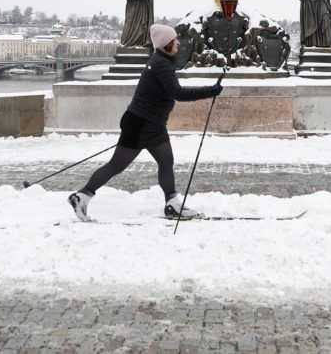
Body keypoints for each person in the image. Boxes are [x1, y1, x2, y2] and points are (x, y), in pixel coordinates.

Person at [68, 24, 223, 221]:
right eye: (174, 41)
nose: (178, 43)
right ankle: (81, 196)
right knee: (117, 165)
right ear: (166, 44)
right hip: (141, 124)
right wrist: (210, 91)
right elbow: (178, 93)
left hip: (149, 124)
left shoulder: (162, 61)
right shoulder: (161, 64)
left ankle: (172, 203)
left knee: (165, 161)